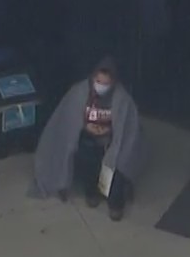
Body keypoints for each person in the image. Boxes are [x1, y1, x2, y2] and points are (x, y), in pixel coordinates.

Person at [30, 56, 148, 222]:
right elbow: (68, 121)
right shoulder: (79, 93)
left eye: (105, 83)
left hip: (112, 143)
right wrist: (86, 127)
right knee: (87, 159)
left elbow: (127, 131)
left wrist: (109, 132)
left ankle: (115, 204)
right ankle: (91, 192)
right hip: (88, 140)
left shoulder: (122, 99)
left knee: (117, 166)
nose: (101, 86)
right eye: (98, 81)